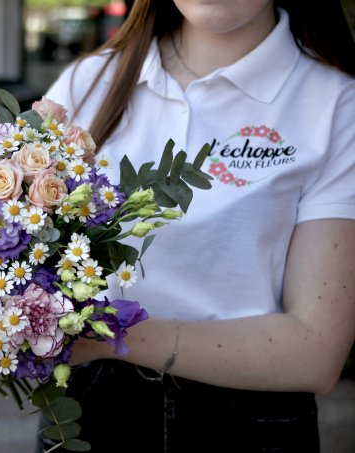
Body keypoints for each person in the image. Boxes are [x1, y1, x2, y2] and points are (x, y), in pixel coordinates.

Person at [41, 1, 355, 451]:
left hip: (252, 422)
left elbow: (317, 351)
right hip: (86, 412)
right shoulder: (88, 82)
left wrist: (111, 336)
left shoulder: (336, 104)